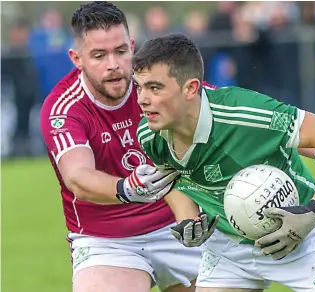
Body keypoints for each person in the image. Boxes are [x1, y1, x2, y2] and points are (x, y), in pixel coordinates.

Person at [134, 33, 315, 292]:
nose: (142, 98)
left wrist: (313, 212)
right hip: (227, 249)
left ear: (190, 88)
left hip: (298, 235)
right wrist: (188, 219)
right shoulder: (149, 134)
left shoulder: (245, 111)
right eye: (139, 87)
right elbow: (175, 178)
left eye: (155, 88)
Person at [40, 3, 202, 292]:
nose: (113, 64)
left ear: (132, 46)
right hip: (107, 242)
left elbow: (234, 116)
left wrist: (309, 144)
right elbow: (77, 175)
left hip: (180, 227)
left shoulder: (159, 82)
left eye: (120, 51)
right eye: (99, 56)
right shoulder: (64, 107)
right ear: (77, 58)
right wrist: (128, 188)